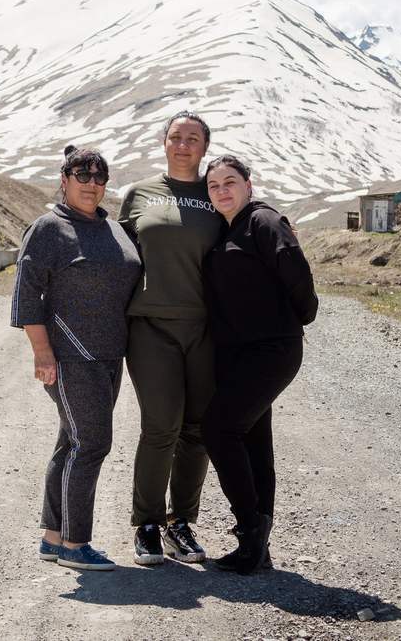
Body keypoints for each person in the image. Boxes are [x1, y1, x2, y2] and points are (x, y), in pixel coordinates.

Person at [10, 146, 142, 572]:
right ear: (64, 179)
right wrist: (42, 353)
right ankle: (74, 542)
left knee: (72, 441)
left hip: (109, 356)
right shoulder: (49, 228)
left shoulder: (114, 228)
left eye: (100, 176)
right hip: (70, 356)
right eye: (81, 174)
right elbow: (27, 294)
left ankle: (52, 538)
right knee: (92, 443)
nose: (92, 183)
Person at [200, 154, 318, 575]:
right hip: (235, 353)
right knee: (254, 441)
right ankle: (258, 550)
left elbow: (298, 276)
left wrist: (296, 320)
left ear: (249, 183)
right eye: (214, 186)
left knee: (218, 429)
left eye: (230, 182)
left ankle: (249, 530)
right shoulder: (227, 228)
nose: (222, 191)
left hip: (271, 350)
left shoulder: (264, 221)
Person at [117, 110, 225, 565]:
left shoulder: (217, 194)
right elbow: (118, 258)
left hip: (206, 328)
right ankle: (147, 523)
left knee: (198, 430)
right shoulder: (139, 194)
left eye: (193, 138)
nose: (184, 144)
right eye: (176, 137)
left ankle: (181, 523)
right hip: (150, 327)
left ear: (204, 147)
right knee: (161, 426)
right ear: (164, 143)